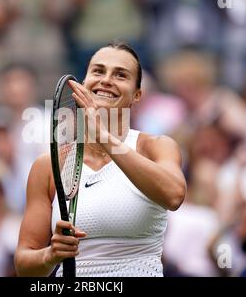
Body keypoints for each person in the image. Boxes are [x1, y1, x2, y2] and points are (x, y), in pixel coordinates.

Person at [15, 42, 186, 277]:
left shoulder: (156, 147)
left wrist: (104, 136)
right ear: (83, 84)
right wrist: (50, 255)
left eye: (120, 75)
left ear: (137, 95)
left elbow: (174, 195)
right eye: (98, 71)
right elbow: (24, 265)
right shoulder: (48, 166)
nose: (106, 80)